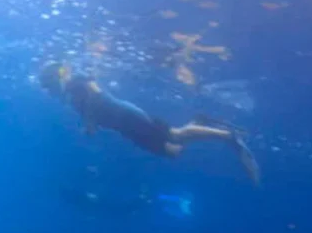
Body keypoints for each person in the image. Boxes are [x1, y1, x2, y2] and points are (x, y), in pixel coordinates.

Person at [38, 62, 260, 186]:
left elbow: (96, 95)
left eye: (48, 85)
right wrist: (91, 123)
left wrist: (89, 122)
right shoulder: (71, 95)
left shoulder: (76, 80)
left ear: (55, 77)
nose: (50, 91)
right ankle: (199, 123)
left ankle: (229, 137)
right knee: (172, 151)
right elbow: (91, 107)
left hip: (127, 116)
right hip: (124, 126)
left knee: (174, 136)